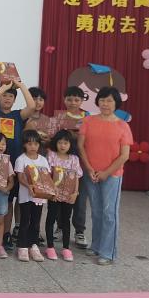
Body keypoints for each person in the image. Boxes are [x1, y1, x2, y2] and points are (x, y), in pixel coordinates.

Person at [77, 87, 133, 265]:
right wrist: (89, 168)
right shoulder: (88, 121)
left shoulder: (123, 126)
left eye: (109, 100)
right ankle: (96, 245)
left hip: (112, 175)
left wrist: (106, 173)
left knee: (109, 213)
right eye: (102, 100)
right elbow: (81, 146)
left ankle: (108, 252)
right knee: (96, 211)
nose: (105, 104)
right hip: (91, 173)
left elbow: (124, 155)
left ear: (116, 103)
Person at [0, 80, 35, 250]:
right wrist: (4, 87)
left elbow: (32, 106)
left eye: (10, 96)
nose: (7, 98)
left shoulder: (18, 115)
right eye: (4, 95)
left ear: (14, 100)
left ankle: (5, 233)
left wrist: (21, 86)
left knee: (8, 200)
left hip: (11, 164)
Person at [45, 129, 83, 262]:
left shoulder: (74, 159)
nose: (62, 145)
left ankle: (66, 248)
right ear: (55, 143)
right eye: (60, 142)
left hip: (69, 195)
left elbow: (77, 177)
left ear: (70, 144)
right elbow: (47, 175)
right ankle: (50, 247)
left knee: (66, 219)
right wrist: (52, 190)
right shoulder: (51, 155)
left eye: (65, 143)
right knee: (51, 217)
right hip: (54, 194)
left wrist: (75, 193)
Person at [62, 85, 91, 249]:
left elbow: (90, 139)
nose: (73, 102)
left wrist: (74, 134)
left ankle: (80, 230)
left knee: (80, 197)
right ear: (64, 100)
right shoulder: (59, 117)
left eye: (76, 99)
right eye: (69, 99)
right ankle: (60, 226)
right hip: (62, 163)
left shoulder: (87, 118)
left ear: (81, 101)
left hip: (81, 163)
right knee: (60, 194)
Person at [14, 130, 49, 262]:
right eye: (29, 144)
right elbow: (20, 177)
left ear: (39, 145)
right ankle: (22, 246)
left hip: (39, 197)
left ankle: (33, 245)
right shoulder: (21, 159)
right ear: (24, 145)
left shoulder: (43, 160)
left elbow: (46, 177)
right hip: (26, 196)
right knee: (25, 220)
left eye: (35, 144)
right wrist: (28, 186)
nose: (33, 147)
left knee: (36, 221)